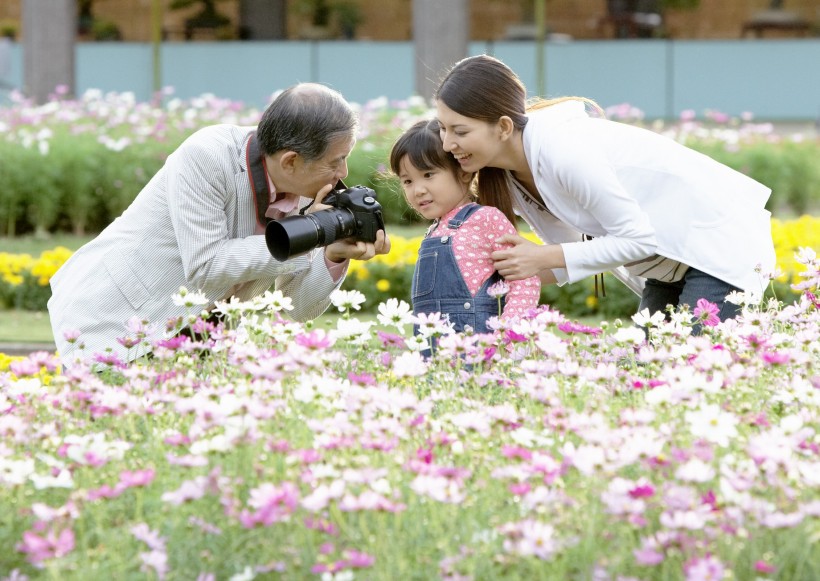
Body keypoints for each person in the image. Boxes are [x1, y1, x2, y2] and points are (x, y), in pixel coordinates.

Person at [48, 83, 390, 367]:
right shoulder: (207, 156)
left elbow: (297, 309)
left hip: (204, 344)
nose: (343, 174)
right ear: (291, 160)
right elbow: (206, 265)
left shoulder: (306, 187)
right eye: (337, 161)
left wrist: (331, 254)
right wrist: (305, 238)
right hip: (115, 321)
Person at [434, 54, 776, 327]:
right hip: (669, 264)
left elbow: (637, 240)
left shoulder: (565, 152)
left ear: (504, 127)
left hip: (717, 247)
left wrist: (540, 256)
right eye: (443, 129)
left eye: (459, 131)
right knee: (647, 376)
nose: (449, 144)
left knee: (694, 376)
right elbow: (566, 261)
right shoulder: (507, 174)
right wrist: (467, 279)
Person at [389, 119, 540, 340]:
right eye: (408, 181)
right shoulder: (435, 231)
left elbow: (524, 279)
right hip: (433, 354)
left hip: (479, 352)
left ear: (464, 173)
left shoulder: (486, 219)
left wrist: (509, 336)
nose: (418, 190)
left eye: (428, 175)